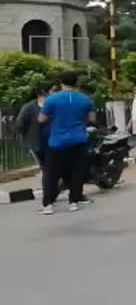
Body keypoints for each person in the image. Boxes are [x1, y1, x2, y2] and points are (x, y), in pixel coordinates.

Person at [37, 71, 95, 215]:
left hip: (57, 142)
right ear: (76, 82)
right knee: (76, 172)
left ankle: (48, 205)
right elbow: (92, 119)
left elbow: (41, 119)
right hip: (79, 140)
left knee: (52, 174)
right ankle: (73, 202)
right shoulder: (85, 99)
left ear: (60, 83)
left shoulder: (52, 99)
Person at [16, 82, 55, 190]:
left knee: (53, 168)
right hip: (39, 143)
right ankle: (49, 194)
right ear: (44, 92)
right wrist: (29, 136)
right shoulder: (29, 108)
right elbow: (20, 124)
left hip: (55, 142)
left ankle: (53, 192)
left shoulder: (53, 105)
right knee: (47, 169)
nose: (54, 93)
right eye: (52, 90)